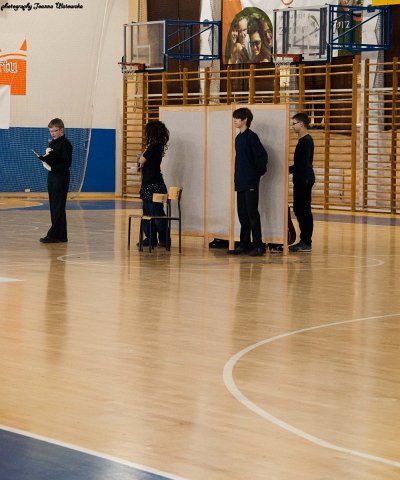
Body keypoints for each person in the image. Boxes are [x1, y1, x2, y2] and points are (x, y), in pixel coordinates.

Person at [228, 107, 267, 257]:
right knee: (242, 214)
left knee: (252, 213)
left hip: (250, 181)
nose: (235, 121)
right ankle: (244, 244)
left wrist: (257, 174)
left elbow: (261, 157)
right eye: (234, 118)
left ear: (245, 120)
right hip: (240, 181)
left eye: (237, 118)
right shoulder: (238, 138)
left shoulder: (252, 137)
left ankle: (258, 245)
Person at [39, 118, 72, 243]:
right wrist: (46, 160)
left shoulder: (65, 144)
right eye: (51, 131)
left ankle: (54, 235)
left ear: (61, 130)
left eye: (55, 131)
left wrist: (52, 167)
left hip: (61, 177)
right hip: (52, 177)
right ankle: (61, 235)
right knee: (54, 205)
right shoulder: (52, 143)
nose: (52, 133)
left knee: (58, 206)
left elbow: (66, 164)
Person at [138, 120, 170, 248]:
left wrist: (145, 150)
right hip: (151, 184)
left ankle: (162, 238)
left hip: (153, 185)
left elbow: (141, 160)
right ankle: (152, 238)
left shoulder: (153, 146)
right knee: (148, 212)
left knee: (155, 213)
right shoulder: (156, 146)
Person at [288, 112, 315, 252]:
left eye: (294, 124)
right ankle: (304, 240)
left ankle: (306, 242)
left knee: (303, 210)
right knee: (299, 209)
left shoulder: (306, 141)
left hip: (304, 179)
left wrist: (289, 169)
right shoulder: (303, 140)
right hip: (301, 179)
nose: (292, 126)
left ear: (301, 124)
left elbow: (303, 164)